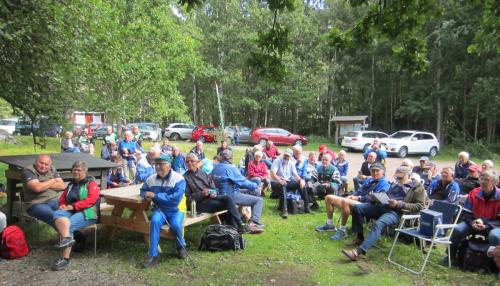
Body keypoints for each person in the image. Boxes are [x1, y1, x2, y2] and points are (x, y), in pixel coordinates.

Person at [341, 166, 426, 261]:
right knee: (357, 208)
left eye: (400, 177)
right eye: (396, 177)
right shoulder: (395, 183)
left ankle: (359, 252)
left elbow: (420, 206)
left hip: (396, 212)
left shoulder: (418, 188)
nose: (397, 179)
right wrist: (376, 197)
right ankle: (360, 237)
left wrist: (399, 204)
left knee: (379, 224)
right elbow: (388, 195)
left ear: (409, 175)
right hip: (382, 206)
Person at [316, 162, 390, 241]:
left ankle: (342, 230)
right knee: (328, 198)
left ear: (383, 171)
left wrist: (358, 198)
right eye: (373, 171)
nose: (375, 173)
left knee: (345, 202)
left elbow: (376, 199)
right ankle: (329, 224)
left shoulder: (384, 183)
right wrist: (352, 196)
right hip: (357, 200)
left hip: (367, 205)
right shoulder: (370, 180)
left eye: (377, 171)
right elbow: (359, 190)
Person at [184, 153, 253, 233]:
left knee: (228, 198)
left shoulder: (203, 173)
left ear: (197, 162)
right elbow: (187, 200)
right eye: (187, 161)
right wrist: (201, 194)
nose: (189, 163)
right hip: (199, 204)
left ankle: (236, 228)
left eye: (192, 161)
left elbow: (214, 188)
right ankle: (239, 226)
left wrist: (213, 192)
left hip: (211, 198)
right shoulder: (185, 178)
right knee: (229, 204)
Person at [51, 161, 100, 271]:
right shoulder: (71, 184)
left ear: (85, 171)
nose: (76, 172)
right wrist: (62, 206)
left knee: (69, 225)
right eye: (74, 170)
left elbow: (91, 201)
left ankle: (65, 259)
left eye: (79, 170)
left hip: (88, 212)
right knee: (56, 213)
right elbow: (62, 199)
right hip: (71, 210)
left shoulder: (91, 184)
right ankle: (68, 239)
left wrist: (72, 207)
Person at [140, 154, 188, 268]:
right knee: (154, 222)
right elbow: (143, 190)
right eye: (156, 164)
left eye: (161, 164)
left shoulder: (179, 179)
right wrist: (145, 195)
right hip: (160, 209)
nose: (158, 167)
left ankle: (181, 245)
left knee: (176, 224)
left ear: (169, 166)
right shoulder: (151, 179)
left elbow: (174, 199)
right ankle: (153, 255)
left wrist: (155, 196)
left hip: (176, 209)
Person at [448, 170, 500, 266]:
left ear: (494, 182)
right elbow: (466, 213)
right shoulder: (474, 193)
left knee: (496, 236)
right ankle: (450, 257)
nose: (483, 182)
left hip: (493, 225)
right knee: (458, 230)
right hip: (473, 221)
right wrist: (472, 222)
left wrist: (487, 226)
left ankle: (495, 265)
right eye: (481, 179)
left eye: (486, 179)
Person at [212, 150, 265, 232]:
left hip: (218, 194)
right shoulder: (230, 168)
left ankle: (245, 214)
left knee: (254, 192)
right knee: (259, 200)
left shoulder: (215, 166)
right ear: (230, 158)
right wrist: (255, 186)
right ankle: (253, 222)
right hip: (230, 195)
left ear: (221, 157)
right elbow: (242, 182)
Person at [22, 155, 66, 228]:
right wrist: (53, 180)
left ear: (50, 165)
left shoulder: (52, 169)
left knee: (68, 212)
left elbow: (62, 186)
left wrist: (43, 183)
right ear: (36, 162)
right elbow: (37, 188)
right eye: (41, 163)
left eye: (46, 164)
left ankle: (72, 235)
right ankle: (74, 236)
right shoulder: (28, 170)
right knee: (56, 217)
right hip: (36, 204)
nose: (43, 166)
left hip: (54, 200)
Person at [270, 149, 310, 218]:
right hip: (276, 182)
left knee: (301, 185)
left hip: (286, 181)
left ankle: (307, 207)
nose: (286, 157)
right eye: (285, 155)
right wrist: (280, 180)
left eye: (288, 156)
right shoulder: (277, 161)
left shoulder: (291, 163)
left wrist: (301, 180)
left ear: (290, 157)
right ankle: (284, 210)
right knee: (283, 185)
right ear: (283, 154)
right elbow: (273, 174)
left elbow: (295, 175)